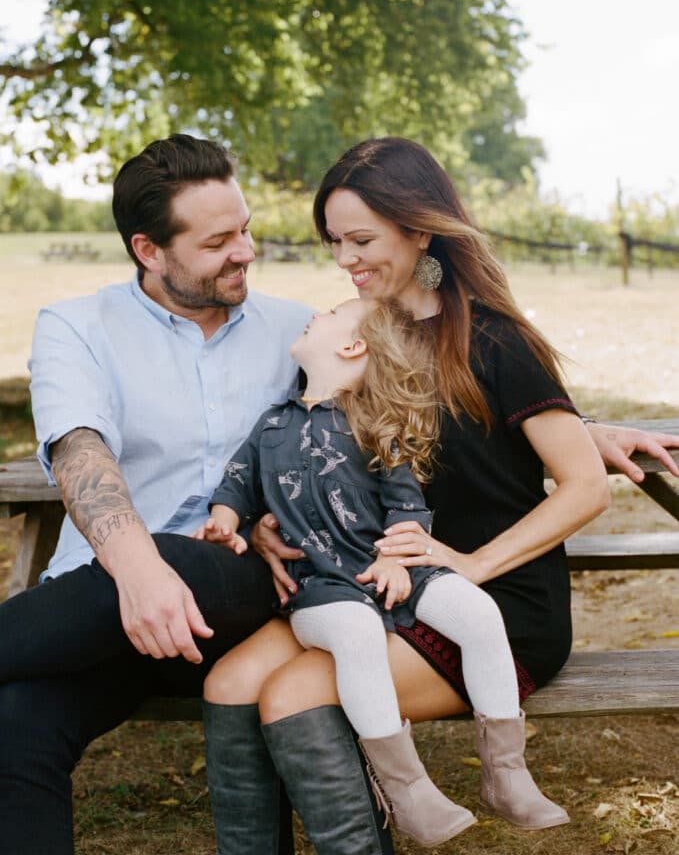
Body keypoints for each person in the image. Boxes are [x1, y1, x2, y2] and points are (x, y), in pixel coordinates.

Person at [202, 136, 679, 855]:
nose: (344, 260)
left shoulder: (494, 340)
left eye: (361, 239)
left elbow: (584, 489)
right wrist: (268, 519)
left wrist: (472, 564)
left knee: (295, 691)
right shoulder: (353, 334)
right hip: (364, 584)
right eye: (334, 241)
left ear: (419, 228)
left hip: (485, 608)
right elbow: (306, 447)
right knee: (232, 682)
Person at [0, 134, 325, 855]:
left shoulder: (298, 328)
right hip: (110, 609)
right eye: (218, 242)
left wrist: (567, 427)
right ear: (149, 250)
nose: (245, 251)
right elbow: (80, 449)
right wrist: (140, 571)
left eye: (244, 229)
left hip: (246, 592)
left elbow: (412, 393)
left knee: (190, 555)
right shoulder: (77, 327)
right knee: (14, 725)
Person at [200, 294, 580, 848]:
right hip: (326, 587)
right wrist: (228, 519)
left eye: (331, 313)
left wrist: (394, 556)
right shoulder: (273, 425)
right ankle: (409, 790)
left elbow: (407, 503)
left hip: (395, 574)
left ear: (352, 345)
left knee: (478, 611)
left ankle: (506, 773)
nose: (317, 312)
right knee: (354, 633)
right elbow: (237, 481)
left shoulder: (378, 425)